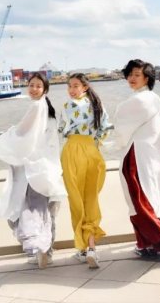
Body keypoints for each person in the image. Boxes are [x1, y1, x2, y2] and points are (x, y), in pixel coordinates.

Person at [0, 72, 67, 268]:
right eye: (31, 85)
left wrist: (6, 136)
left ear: (45, 89)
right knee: (46, 210)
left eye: (38, 86)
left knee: (26, 209)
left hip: (33, 169)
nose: (34, 89)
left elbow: (21, 133)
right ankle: (46, 253)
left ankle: (38, 248)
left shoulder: (36, 107)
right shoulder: (48, 111)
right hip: (47, 168)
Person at [113, 59, 160, 256]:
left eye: (137, 75)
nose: (131, 78)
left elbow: (120, 124)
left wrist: (119, 140)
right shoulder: (155, 99)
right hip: (154, 154)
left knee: (139, 198)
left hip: (138, 155)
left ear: (147, 78)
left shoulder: (138, 100)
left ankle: (150, 242)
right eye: (130, 74)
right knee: (156, 196)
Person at [59, 73, 112, 269]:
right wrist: (94, 144)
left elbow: (61, 130)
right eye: (69, 86)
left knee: (76, 200)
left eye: (75, 86)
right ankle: (91, 248)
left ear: (85, 87)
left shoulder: (68, 105)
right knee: (91, 199)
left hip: (72, 151)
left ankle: (82, 248)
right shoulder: (97, 105)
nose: (71, 90)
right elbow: (105, 129)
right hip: (92, 152)